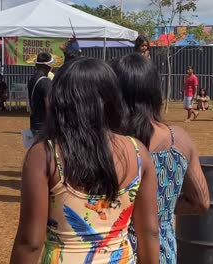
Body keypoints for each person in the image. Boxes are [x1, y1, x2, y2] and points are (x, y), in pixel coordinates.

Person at [11, 57, 160, 263]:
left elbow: (30, 242)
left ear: (60, 100)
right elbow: (150, 232)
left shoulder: (45, 154)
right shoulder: (138, 152)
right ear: (112, 99)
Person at [111, 53, 210, 264]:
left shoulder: (109, 142)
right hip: (161, 250)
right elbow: (201, 202)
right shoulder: (179, 140)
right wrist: (161, 210)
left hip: (115, 249)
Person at [27, 52, 53, 136]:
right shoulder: (46, 82)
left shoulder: (32, 79)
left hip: (34, 123)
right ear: (48, 66)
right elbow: (49, 107)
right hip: (44, 125)